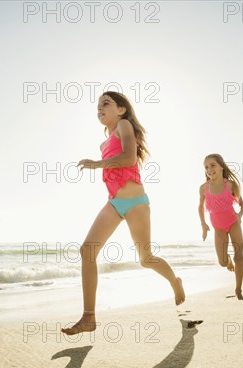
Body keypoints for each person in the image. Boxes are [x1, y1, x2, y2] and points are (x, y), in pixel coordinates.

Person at [61, 91, 185, 335]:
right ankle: (88, 318)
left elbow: (129, 158)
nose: (100, 108)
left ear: (121, 110)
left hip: (136, 202)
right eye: (97, 105)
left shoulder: (124, 125)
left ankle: (174, 282)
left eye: (106, 103)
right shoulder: (103, 144)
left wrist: (97, 164)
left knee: (146, 259)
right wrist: (100, 163)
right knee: (87, 250)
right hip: (115, 202)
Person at [198, 154, 243, 300]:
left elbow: (242, 205)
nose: (209, 169)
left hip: (233, 223)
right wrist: (204, 224)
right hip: (218, 228)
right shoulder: (203, 188)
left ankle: (238, 289)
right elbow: (200, 207)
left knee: (239, 255)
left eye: (212, 165)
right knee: (222, 262)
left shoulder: (230, 185)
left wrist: (239, 215)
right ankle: (228, 261)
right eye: (206, 167)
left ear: (221, 167)